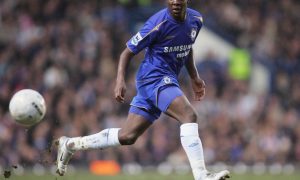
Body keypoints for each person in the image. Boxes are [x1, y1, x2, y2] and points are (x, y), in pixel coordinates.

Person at [55, 0, 230, 179]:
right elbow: (127, 52)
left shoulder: (196, 19)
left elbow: (187, 46)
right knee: (188, 114)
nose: (175, 2)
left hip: (165, 80)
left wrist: (194, 77)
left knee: (127, 136)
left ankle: (70, 145)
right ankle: (201, 175)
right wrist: (119, 80)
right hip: (152, 79)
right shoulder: (157, 23)